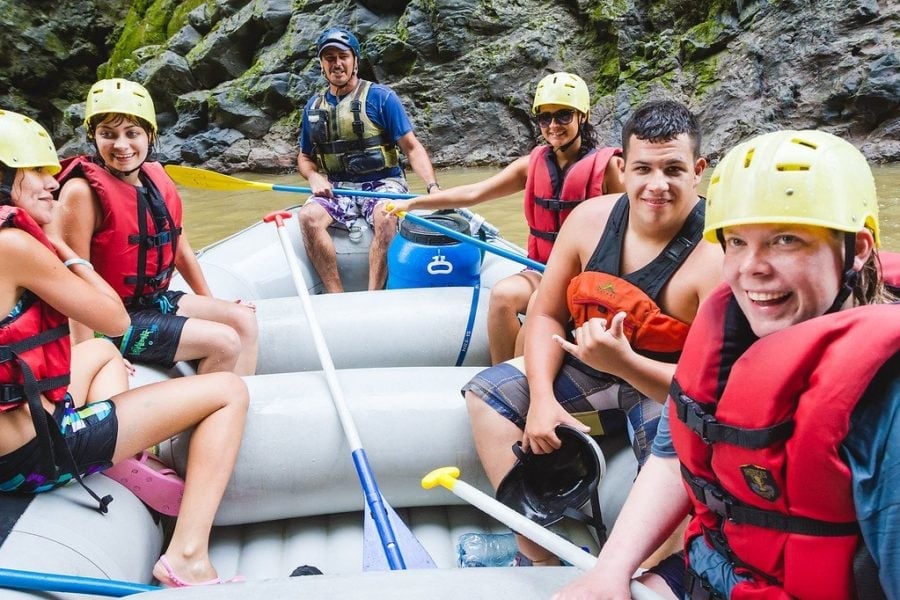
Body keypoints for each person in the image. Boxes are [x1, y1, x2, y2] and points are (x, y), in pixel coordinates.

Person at [553, 130, 900, 600]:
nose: (750, 268)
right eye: (736, 242)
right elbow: (672, 455)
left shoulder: (887, 395)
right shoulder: (730, 331)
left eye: (785, 240)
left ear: (857, 249)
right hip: (715, 569)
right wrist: (609, 571)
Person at [464, 99, 724, 565]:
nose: (657, 184)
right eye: (643, 169)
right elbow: (546, 316)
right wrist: (542, 400)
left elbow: (709, 390)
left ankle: (640, 573)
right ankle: (538, 554)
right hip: (589, 367)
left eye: (673, 169)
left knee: (679, 460)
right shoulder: (588, 220)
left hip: (665, 389)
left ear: (698, 171)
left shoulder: (717, 255)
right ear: (622, 168)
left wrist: (625, 363)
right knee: (486, 393)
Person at [0, 109, 249, 587]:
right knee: (229, 390)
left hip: (15, 430)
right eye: (35, 171)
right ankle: (188, 557)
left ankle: (124, 457)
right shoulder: (14, 245)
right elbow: (113, 318)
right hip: (31, 455)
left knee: (102, 353)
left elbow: (100, 338)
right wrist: (63, 249)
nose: (52, 182)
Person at [387, 72, 626, 364]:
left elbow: (635, 224)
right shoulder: (531, 165)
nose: (553, 125)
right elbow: (475, 192)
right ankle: (500, 372)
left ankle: (516, 382)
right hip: (542, 270)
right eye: (545, 118)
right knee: (501, 295)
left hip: (586, 277)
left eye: (563, 115)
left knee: (538, 304)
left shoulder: (610, 168)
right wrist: (415, 203)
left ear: (582, 116)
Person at [49, 78, 258, 376]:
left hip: (154, 302)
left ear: (150, 134)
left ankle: (241, 400)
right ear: (93, 136)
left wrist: (211, 304)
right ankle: (216, 400)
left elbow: (180, 248)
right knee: (223, 342)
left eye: (132, 133)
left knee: (243, 320)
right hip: (109, 321)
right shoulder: (81, 193)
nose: (121, 145)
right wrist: (90, 353)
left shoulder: (156, 179)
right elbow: (72, 279)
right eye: (108, 134)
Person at [297, 26, 441, 293]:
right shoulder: (313, 108)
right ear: (322, 64)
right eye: (329, 58)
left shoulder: (381, 98)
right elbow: (305, 157)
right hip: (338, 187)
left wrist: (432, 187)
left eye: (343, 56)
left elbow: (412, 148)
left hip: (383, 183)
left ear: (355, 60)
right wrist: (314, 176)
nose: (337, 64)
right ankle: (336, 296)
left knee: (386, 216)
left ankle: (374, 295)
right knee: (307, 217)